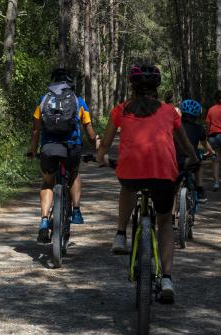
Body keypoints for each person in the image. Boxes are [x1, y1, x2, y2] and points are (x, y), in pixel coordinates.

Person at [97, 64, 198, 303]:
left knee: (128, 185)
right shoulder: (170, 111)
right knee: (164, 222)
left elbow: (105, 143)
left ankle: (120, 234)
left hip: (130, 172)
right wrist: (193, 159)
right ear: (157, 88)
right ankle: (167, 279)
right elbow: (184, 144)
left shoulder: (121, 109)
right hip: (164, 174)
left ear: (133, 87)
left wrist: (101, 157)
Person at [28, 68, 98, 243]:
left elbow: (36, 130)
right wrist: (97, 148)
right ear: (70, 83)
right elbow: (89, 131)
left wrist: (32, 149)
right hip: (71, 148)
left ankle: (44, 220)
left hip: (49, 148)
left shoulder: (43, 100)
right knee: (74, 174)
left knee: (47, 182)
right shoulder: (78, 101)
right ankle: (76, 211)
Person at [177, 99, 214, 203]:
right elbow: (205, 144)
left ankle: (172, 216)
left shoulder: (175, 126)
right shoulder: (199, 128)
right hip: (191, 159)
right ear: (197, 114)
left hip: (176, 159)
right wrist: (212, 152)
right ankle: (200, 189)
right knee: (199, 164)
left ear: (182, 112)